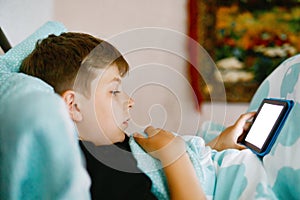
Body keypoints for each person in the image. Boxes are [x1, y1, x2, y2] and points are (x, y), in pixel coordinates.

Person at [19, 32, 254, 199]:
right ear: (74, 106)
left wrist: (218, 146)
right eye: (114, 91)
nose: (130, 101)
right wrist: (174, 156)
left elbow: (162, 173)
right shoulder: (100, 171)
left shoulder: (114, 146)